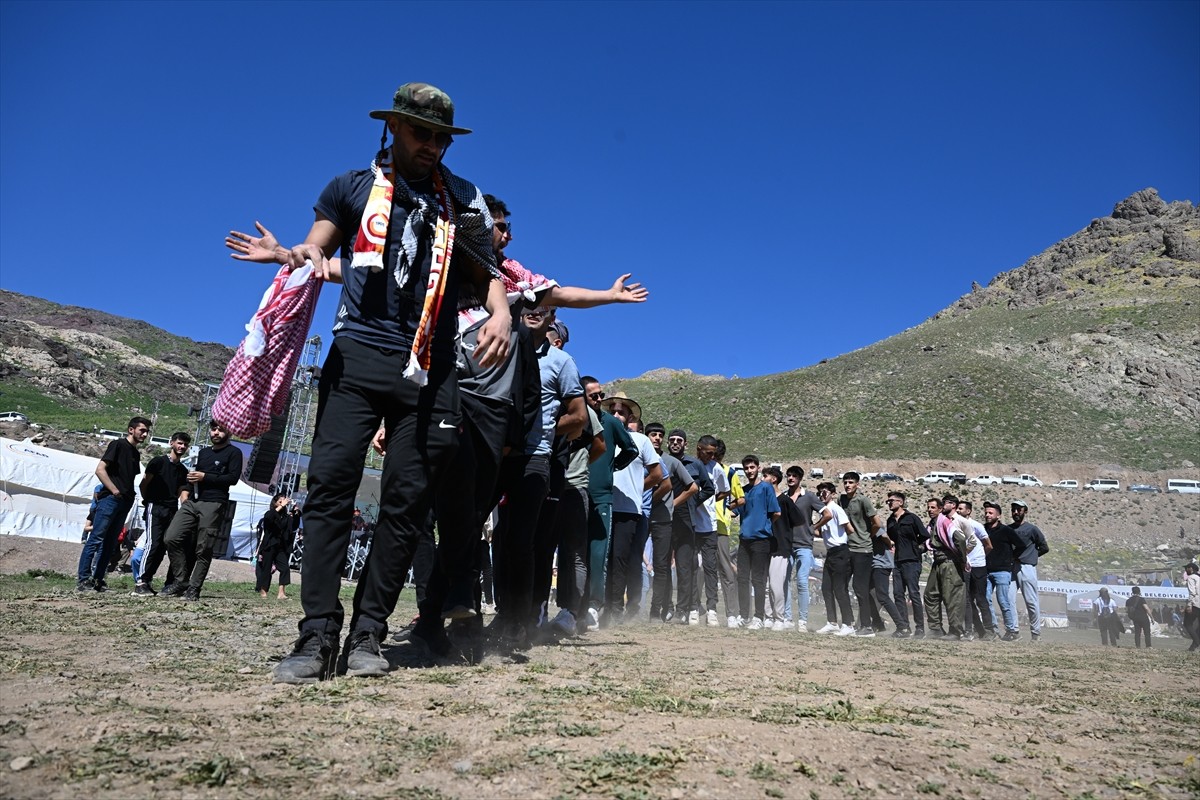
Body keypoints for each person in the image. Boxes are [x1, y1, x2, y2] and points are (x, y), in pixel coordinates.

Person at [229, 84, 509, 683]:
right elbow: (319, 242)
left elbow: (488, 275)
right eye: (420, 132)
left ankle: (368, 636)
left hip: (430, 369)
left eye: (440, 136)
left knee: (406, 504)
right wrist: (294, 252)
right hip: (356, 356)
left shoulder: (462, 200)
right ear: (393, 129)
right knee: (330, 490)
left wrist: (504, 314)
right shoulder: (351, 187)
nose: (431, 145)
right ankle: (316, 636)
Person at [162, 420, 244, 601]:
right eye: (213, 429)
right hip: (192, 501)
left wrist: (205, 476)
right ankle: (181, 579)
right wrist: (187, 490)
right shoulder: (204, 452)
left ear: (228, 431)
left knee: (203, 548)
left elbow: (232, 478)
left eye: (220, 430)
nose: (215, 433)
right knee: (171, 537)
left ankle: (194, 587)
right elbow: (193, 477)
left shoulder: (234, 453)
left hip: (214, 503)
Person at [582, 378, 637, 630]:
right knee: (574, 551)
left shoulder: (611, 423)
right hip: (574, 491)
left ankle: (594, 606)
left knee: (597, 552)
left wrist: (612, 466)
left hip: (602, 495)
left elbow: (631, 449)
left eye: (600, 395)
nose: (598, 399)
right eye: (593, 395)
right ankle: (572, 606)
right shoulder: (577, 418)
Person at [77, 417, 151, 592]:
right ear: (131, 430)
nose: (145, 434)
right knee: (95, 539)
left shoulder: (135, 453)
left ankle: (98, 581)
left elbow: (129, 477)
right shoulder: (118, 445)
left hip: (124, 502)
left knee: (110, 544)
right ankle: (83, 580)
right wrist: (114, 490)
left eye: (147, 431)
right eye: (142, 430)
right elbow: (100, 469)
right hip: (110, 500)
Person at [645, 422, 695, 623]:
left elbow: (693, 487)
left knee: (661, 565)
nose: (656, 438)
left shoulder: (671, 462)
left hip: (663, 520)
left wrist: (672, 504)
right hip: (639, 516)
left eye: (659, 435)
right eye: (653, 434)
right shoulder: (638, 458)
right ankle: (626, 607)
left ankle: (656, 610)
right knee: (630, 562)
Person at [134, 431, 191, 595]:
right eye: (179, 443)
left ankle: (149, 581)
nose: (182, 447)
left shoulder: (183, 470)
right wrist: (149, 500)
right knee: (153, 543)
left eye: (185, 444)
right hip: (155, 506)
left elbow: (182, 494)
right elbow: (143, 484)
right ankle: (140, 581)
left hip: (172, 509)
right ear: (171, 443)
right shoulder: (158, 462)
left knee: (163, 546)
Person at [666, 429, 714, 624]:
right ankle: (666, 607)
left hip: (687, 522)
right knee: (663, 566)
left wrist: (694, 501)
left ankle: (683, 610)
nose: (675, 443)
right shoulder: (662, 462)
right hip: (664, 520)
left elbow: (709, 488)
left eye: (679, 440)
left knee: (685, 568)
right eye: (672, 440)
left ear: (685, 444)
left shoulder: (695, 464)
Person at [733, 456, 779, 630]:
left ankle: (758, 617)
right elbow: (735, 512)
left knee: (758, 580)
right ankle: (743, 616)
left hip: (761, 540)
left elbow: (776, 513)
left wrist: (763, 526)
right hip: (744, 539)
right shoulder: (743, 490)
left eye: (752, 467)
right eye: (746, 468)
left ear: (758, 468)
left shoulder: (766, 488)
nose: (749, 471)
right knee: (742, 578)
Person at [692, 435, 731, 627]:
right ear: (699, 449)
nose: (711, 457)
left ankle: (712, 609)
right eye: (708, 453)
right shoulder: (690, 465)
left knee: (709, 568)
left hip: (709, 526)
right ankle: (692, 607)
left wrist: (710, 500)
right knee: (691, 567)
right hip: (691, 524)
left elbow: (726, 490)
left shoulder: (717, 469)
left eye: (714, 454)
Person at [840, 472, 884, 635]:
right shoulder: (842, 500)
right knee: (841, 585)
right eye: (845, 482)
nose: (847, 485)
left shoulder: (863, 500)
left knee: (860, 588)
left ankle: (866, 626)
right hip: (848, 548)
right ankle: (848, 623)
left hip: (863, 550)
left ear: (857, 484)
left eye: (851, 482)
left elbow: (877, 523)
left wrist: (868, 536)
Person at [812, 482, 855, 636]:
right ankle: (832, 622)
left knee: (840, 589)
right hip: (830, 552)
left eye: (825, 492)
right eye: (820, 493)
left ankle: (848, 624)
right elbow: (824, 534)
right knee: (826, 588)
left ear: (833, 494)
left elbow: (849, 529)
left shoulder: (836, 509)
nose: (822, 495)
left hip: (841, 551)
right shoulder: (823, 513)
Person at [923, 495, 968, 640]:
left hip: (949, 562)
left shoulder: (945, 522)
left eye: (933, 507)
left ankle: (955, 631)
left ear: (941, 509)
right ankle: (935, 629)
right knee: (930, 595)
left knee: (952, 597)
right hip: (938, 562)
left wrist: (962, 559)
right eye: (928, 507)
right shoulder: (932, 524)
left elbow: (960, 539)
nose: (929, 510)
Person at [762, 465, 801, 631]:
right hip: (764, 546)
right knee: (764, 586)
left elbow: (798, 520)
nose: (762, 479)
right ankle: (767, 617)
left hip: (780, 547)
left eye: (765, 476)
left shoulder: (785, 501)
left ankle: (779, 617)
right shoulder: (763, 499)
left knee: (776, 586)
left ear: (774, 479)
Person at [784, 467, 823, 633]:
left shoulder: (808, 497)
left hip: (804, 545)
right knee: (784, 582)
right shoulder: (784, 496)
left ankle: (802, 621)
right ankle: (786, 618)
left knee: (801, 582)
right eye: (789, 475)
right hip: (786, 545)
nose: (791, 478)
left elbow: (826, 513)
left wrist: (813, 527)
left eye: (794, 476)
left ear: (800, 478)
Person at [886, 491, 928, 638]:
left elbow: (924, 535)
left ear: (901, 502)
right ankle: (904, 627)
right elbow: (891, 539)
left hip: (912, 561)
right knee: (898, 594)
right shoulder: (890, 521)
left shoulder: (912, 518)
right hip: (897, 562)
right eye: (888, 501)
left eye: (892, 500)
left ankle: (920, 628)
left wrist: (917, 549)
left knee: (913, 594)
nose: (889, 503)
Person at [1011, 500, 1050, 643]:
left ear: (1025, 511)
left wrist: (1032, 556)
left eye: (1019, 509)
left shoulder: (1032, 529)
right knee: (1008, 600)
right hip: (1011, 567)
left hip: (1027, 567)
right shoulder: (1009, 529)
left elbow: (1044, 547)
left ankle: (1036, 633)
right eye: (1013, 509)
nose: (1016, 512)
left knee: (1031, 601)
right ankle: (1013, 631)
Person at [982, 501, 1021, 641]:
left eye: (990, 513)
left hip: (1003, 571)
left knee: (1003, 600)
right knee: (986, 600)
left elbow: (1021, 545)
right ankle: (993, 629)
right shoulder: (982, 529)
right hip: (986, 571)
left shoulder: (1006, 530)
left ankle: (1012, 631)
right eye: (986, 512)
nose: (987, 515)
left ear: (998, 515)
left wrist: (1011, 558)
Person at [957, 501, 994, 640]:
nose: (958, 511)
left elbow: (988, 545)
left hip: (978, 566)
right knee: (967, 600)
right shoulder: (956, 525)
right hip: (965, 566)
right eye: (957, 508)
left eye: (961, 509)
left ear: (968, 511)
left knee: (980, 599)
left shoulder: (976, 526)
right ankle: (978, 629)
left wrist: (979, 557)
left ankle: (989, 630)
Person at [256, 493, 297, 599]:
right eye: (280, 501)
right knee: (266, 568)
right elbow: (269, 518)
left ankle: (281, 593)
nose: (283, 503)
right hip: (269, 545)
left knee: (285, 568)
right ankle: (264, 590)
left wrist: (296, 513)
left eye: (284, 501)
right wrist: (280, 506)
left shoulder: (286, 517)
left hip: (280, 546)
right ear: (275, 503)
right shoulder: (270, 513)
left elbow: (292, 527)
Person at [1184, 563, 1200, 652]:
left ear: (1191, 569)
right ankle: (1192, 647)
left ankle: (1197, 642)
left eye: (1187, 568)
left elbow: (1192, 592)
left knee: (1187, 624)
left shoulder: (1191, 578)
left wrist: (1189, 605)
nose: (1186, 570)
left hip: (1195, 604)